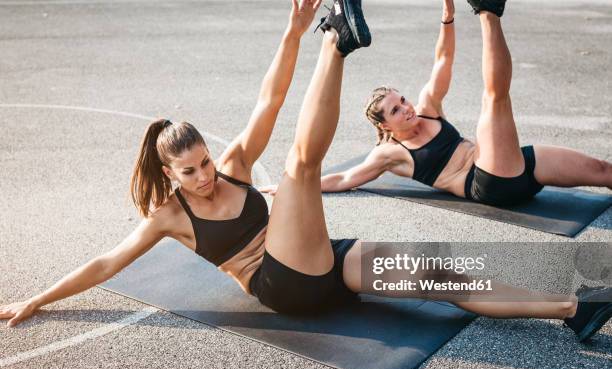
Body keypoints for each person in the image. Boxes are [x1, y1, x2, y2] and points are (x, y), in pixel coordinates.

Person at [1, 0, 610, 343]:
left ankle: (570, 308)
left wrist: (290, 29)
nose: (206, 175)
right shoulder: (169, 216)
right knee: (298, 166)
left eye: (205, 161)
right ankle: (337, 43)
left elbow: (269, 100)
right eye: (189, 172)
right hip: (282, 287)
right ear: (169, 174)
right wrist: (37, 299)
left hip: (324, 259)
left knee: (441, 276)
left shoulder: (232, 166)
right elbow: (105, 264)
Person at [261, 0, 612, 207]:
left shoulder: (429, 107)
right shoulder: (390, 154)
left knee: (602, 171)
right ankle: (488, 11)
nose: (407, 108)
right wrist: (292, 183)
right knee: (494, 100)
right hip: (488, 182)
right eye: (396, 110)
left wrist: (447, 14)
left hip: (511, 159)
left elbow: (443, 59)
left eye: (402, 100)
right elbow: (344, 179)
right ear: (385, 125)